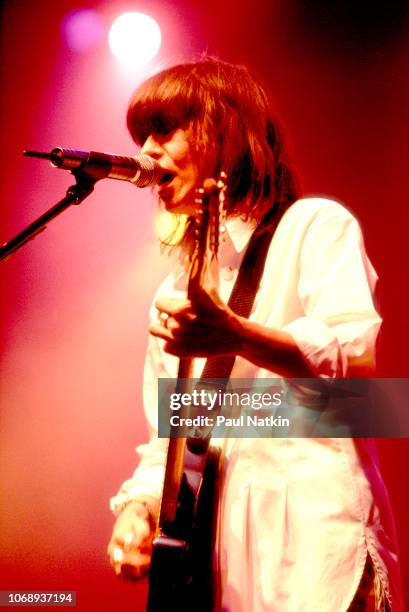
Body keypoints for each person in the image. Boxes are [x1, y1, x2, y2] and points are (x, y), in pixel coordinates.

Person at [107, 58, 402, 611]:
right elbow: (173, 437)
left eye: (163, 130)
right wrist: (140, 506)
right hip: (227, 567)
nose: (146, 151)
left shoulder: (314, 226)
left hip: (316, 550)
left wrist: (236, 334)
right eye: (142, 136)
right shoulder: (175, 290)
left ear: (222, 130)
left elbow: (355, 361)